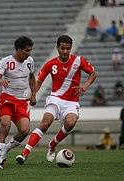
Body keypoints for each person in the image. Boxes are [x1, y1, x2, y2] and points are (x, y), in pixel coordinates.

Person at [16, 35, 96, 165]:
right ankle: (24, 154)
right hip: (55, 99)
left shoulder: (78, 61)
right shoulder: (50, 64)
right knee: (46, 122)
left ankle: (52, 144)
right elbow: (39, 80)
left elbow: (93, 73)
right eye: (62, 48)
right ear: (57, 48)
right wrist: (33, 94)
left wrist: (85, 85)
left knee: (70, 123)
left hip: (71, 101)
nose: (65, 51)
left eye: (68, 49)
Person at [0, 36, 36, 169]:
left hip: (22, 100)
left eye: (30, 50)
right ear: (19, 49)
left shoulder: (30, 61)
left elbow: (32, 77)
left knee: (24, 130)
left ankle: (5, 150)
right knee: (5, 126)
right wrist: (0, 82)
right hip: (8, 98)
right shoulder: (6, 61)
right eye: (27, 51)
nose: (29, 53)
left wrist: (33, 94)